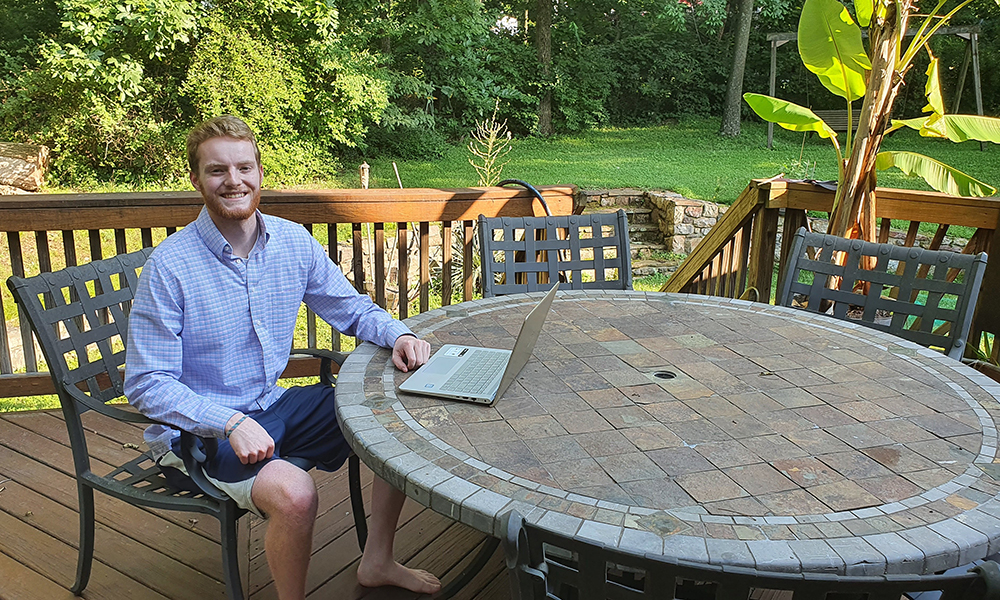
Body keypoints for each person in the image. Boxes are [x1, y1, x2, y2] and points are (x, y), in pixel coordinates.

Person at [124, 115, 441, 600]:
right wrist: (228, 421)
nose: (234, 181)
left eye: (244, 167)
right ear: (196, 180)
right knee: (296, 495)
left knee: (393, 427)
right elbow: (147, 383)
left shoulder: (292, 242)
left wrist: (397, 334)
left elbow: (350, 308)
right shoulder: (170, 267)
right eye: (217, 171)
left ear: (259, 172)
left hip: (273, 402)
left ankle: (376, 561)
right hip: (201, 430)